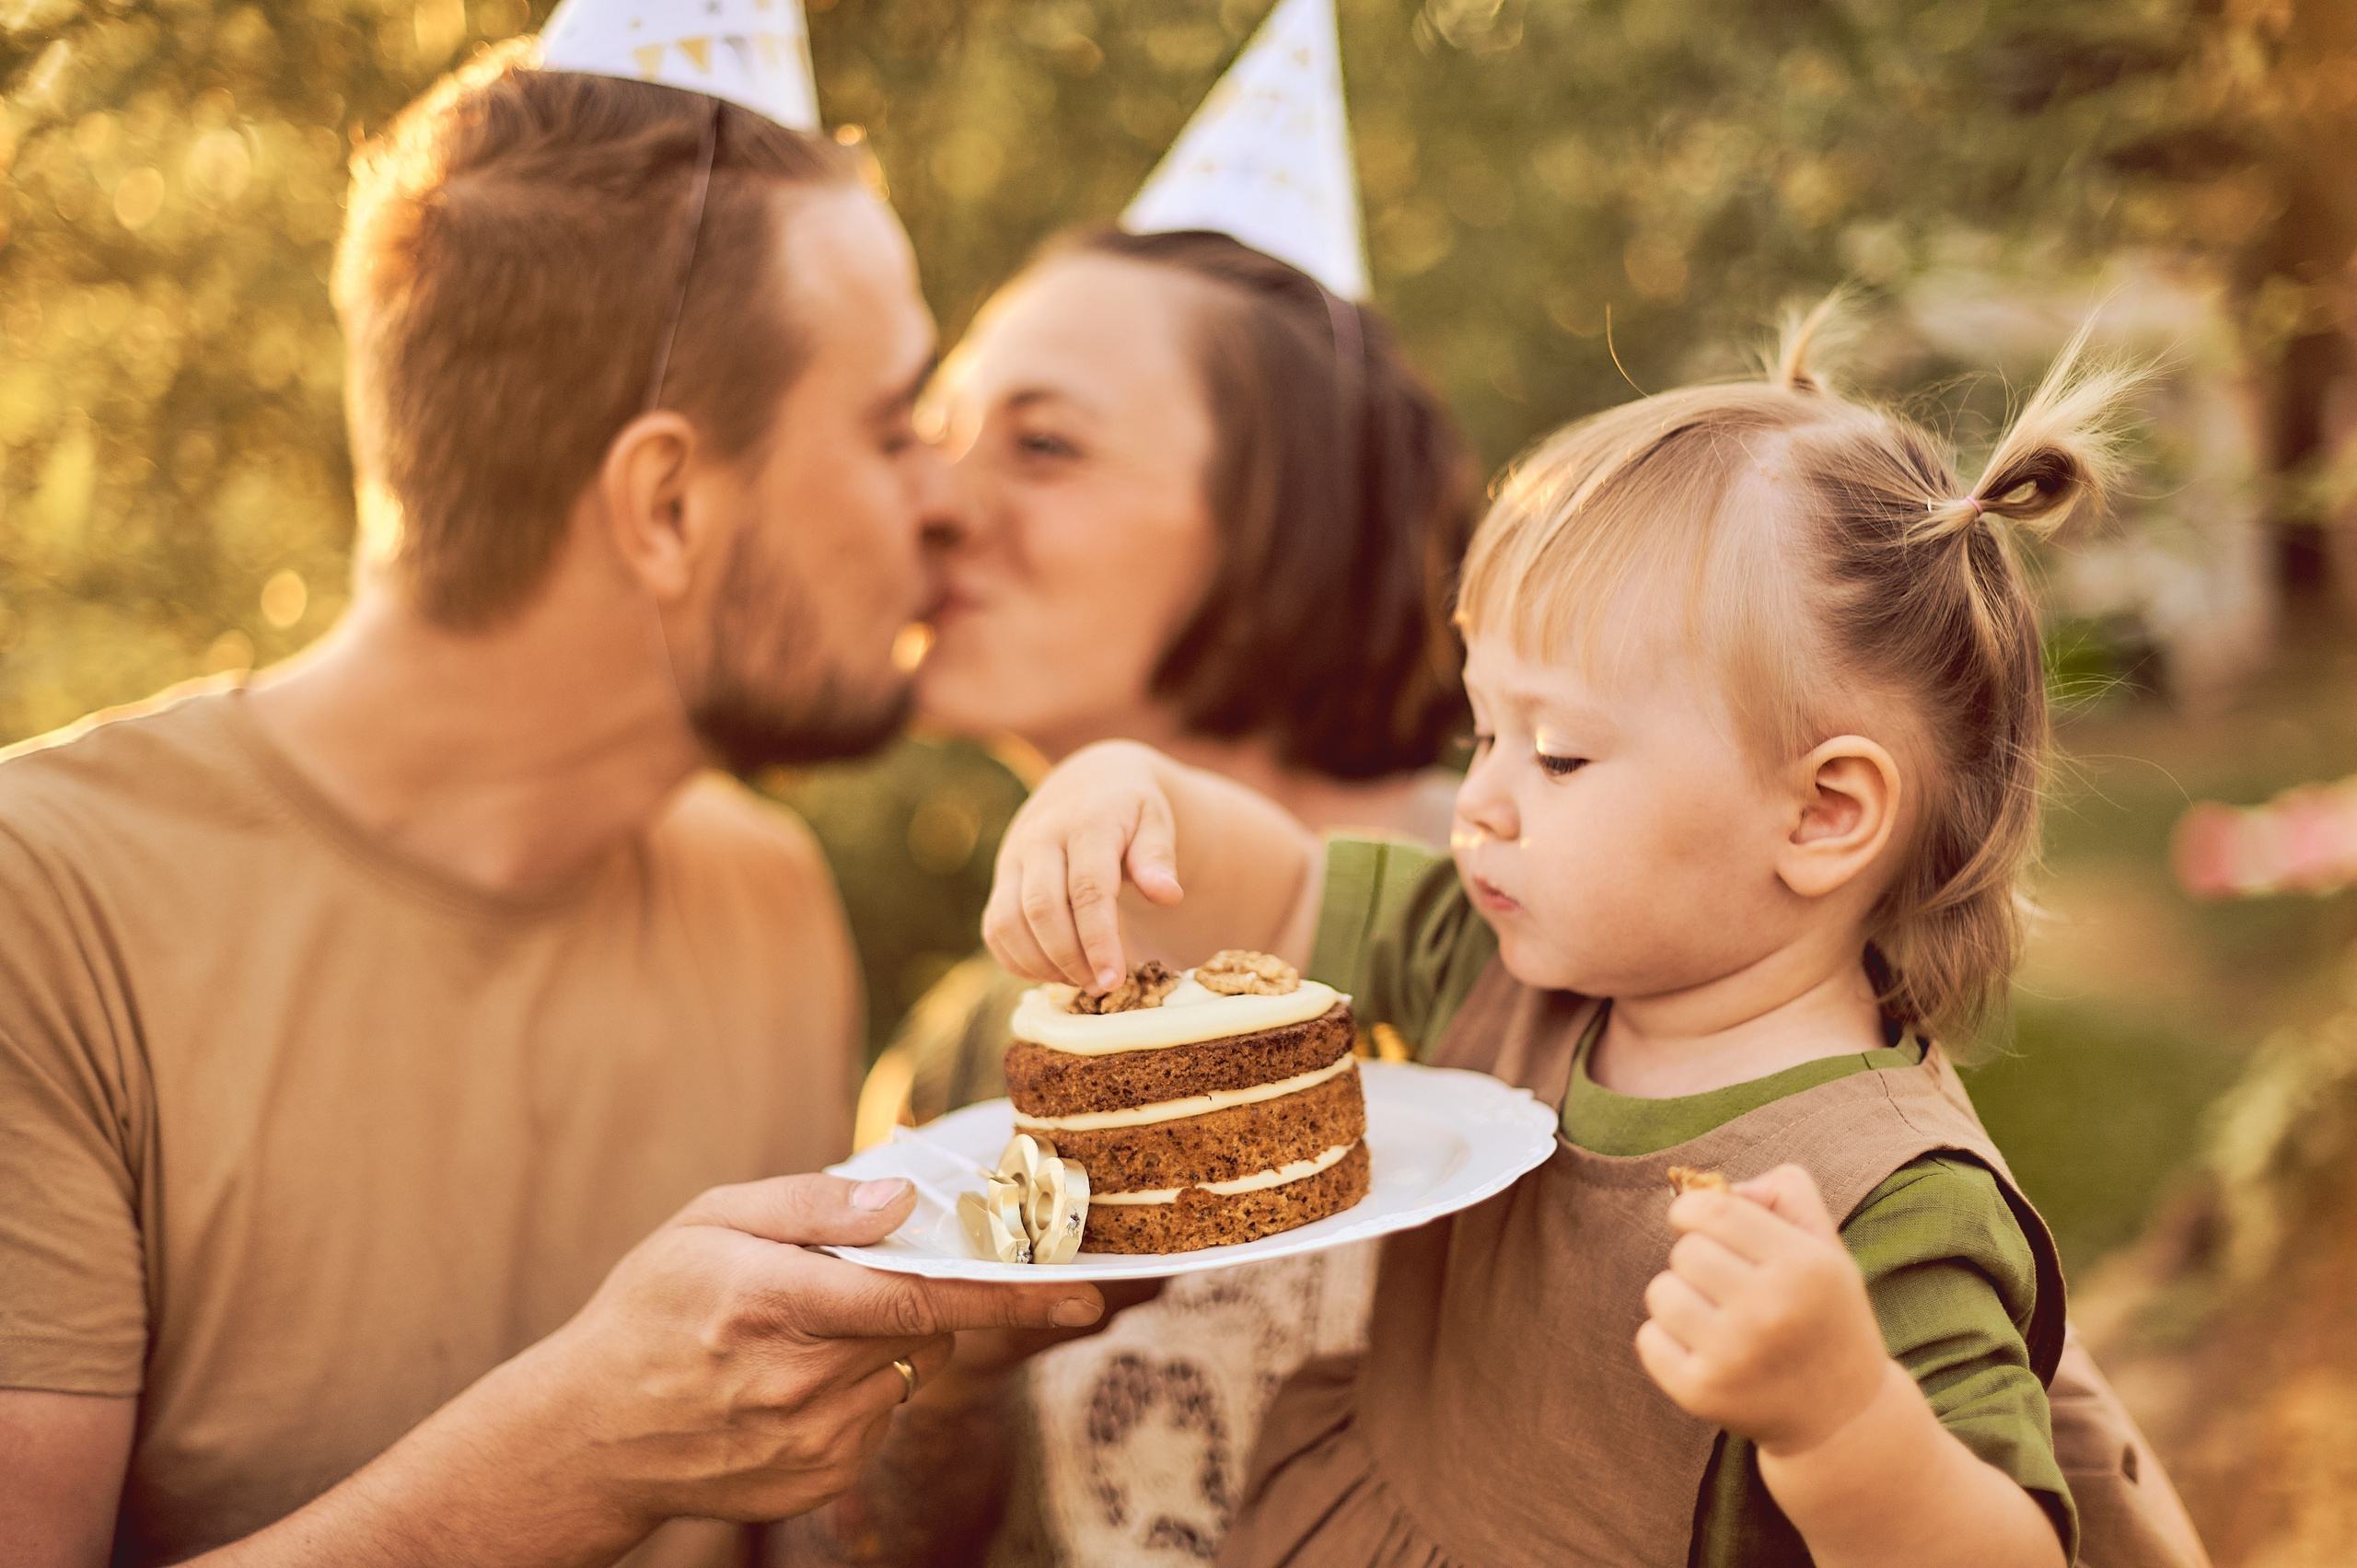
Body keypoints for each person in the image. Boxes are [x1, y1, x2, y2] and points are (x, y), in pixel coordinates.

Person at [0, 43, 1106, 1568]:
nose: (946, 500)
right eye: (889, 426)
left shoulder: (762, 896)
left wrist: (956, 1361)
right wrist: (574, 1456)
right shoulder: (38, 910)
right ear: (666, 507)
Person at [980, 307, 2212, 1566]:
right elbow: (1284, 889)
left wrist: (1844, 1420)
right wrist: (1132, 790)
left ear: (1824, 813)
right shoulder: (1506, 964)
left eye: (1558, 752)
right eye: (1483, 734)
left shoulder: (1890, 1204)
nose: (1483, 800)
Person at [859, 222, 1478, 1565]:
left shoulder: (1542, 928)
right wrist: (935, 1377)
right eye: (940, 433)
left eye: (1044, 445)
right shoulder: (980, 1054)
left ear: (1290, 520)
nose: (935, 504)